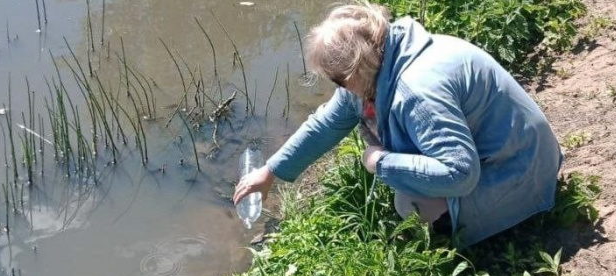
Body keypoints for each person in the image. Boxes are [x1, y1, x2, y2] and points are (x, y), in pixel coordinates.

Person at [232, 2, 562, 246]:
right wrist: (271, 171)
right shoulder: (382, 59)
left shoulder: (416, 92)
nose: (335, 86)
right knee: (410, 182)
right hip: (517, 153)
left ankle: (473, 233)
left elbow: (461, 174)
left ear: (353, 72)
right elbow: (327, 124)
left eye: (336, 79)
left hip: (523, 170)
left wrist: (380, 162)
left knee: (410, 203)